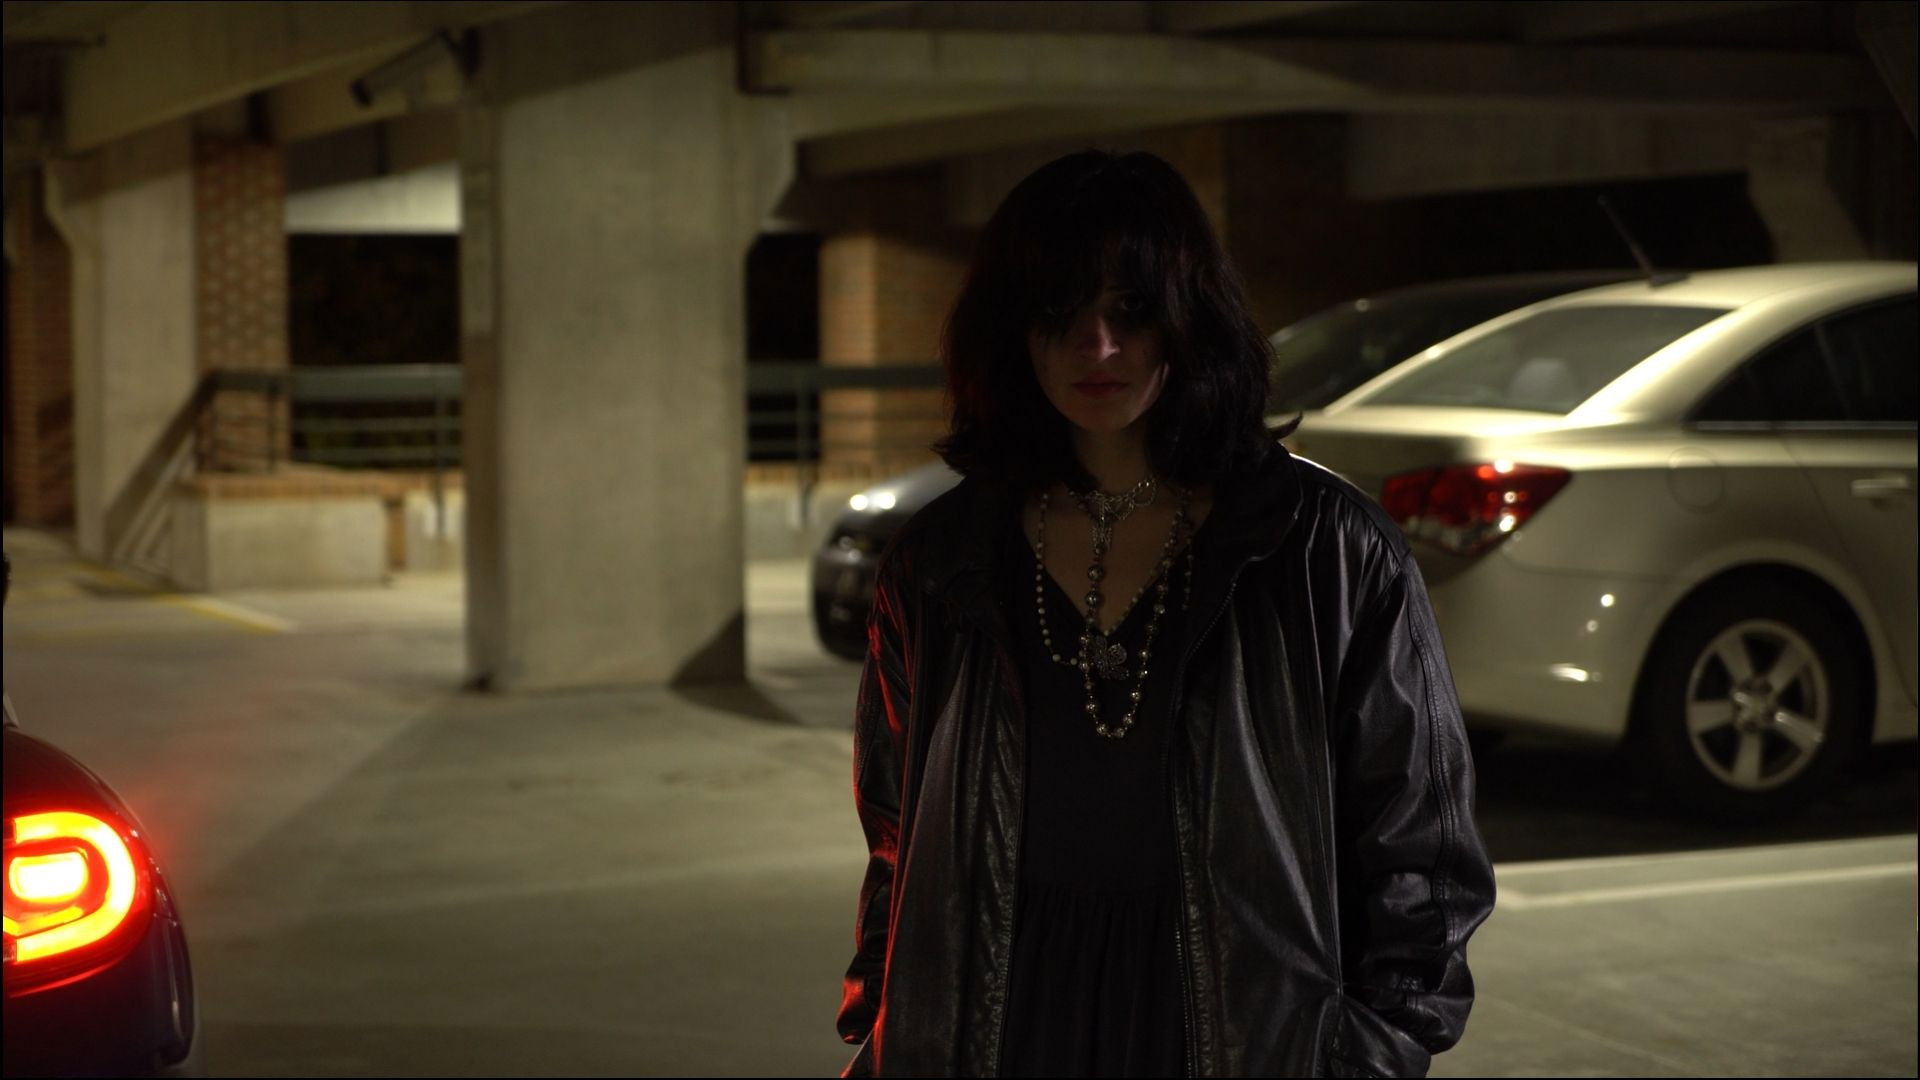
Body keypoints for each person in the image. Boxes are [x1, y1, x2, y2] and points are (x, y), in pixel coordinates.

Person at [836, 149, 1495, 1078]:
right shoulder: (944, 558)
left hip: (1241, 1027)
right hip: (996, 1020)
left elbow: (1421, 842)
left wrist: (1371, 1052)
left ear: (1189, 315)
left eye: (1132, 310)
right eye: (1060, 312)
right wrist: (889, 1021)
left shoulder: (1322, 546)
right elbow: (894, 830)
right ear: (1012, 329)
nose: (1097, 346)